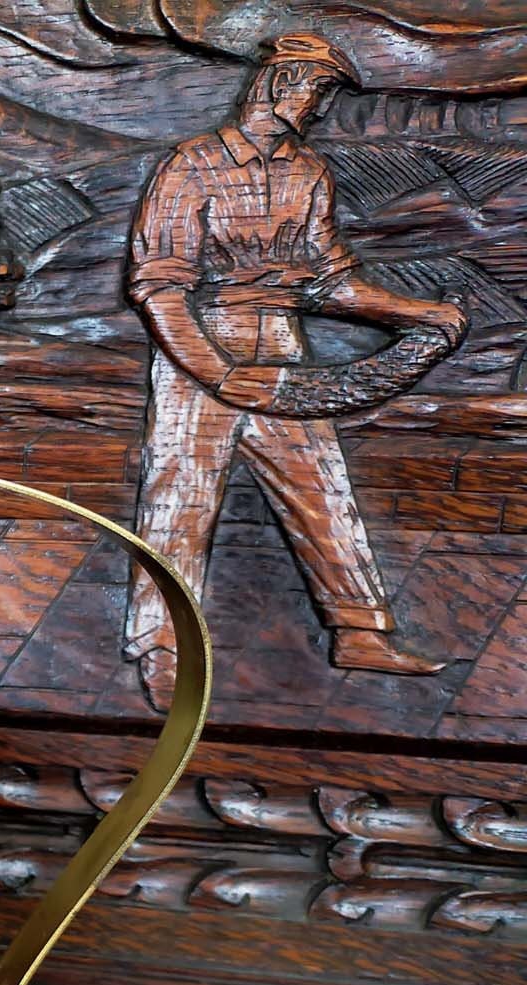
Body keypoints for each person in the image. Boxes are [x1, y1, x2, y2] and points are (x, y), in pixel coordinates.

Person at [124, 33, 467, 710]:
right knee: (180, 496)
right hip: (200, 344)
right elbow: (161, 287)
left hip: (281, 343)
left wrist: (416, 313)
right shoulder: (192, 164)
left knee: (322, 485)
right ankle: (161, 648)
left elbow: (332, 282)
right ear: (281, 87)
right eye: (317, 93)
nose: (319, 111)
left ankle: (360, 632)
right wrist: (215, 374)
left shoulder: (308, 173)